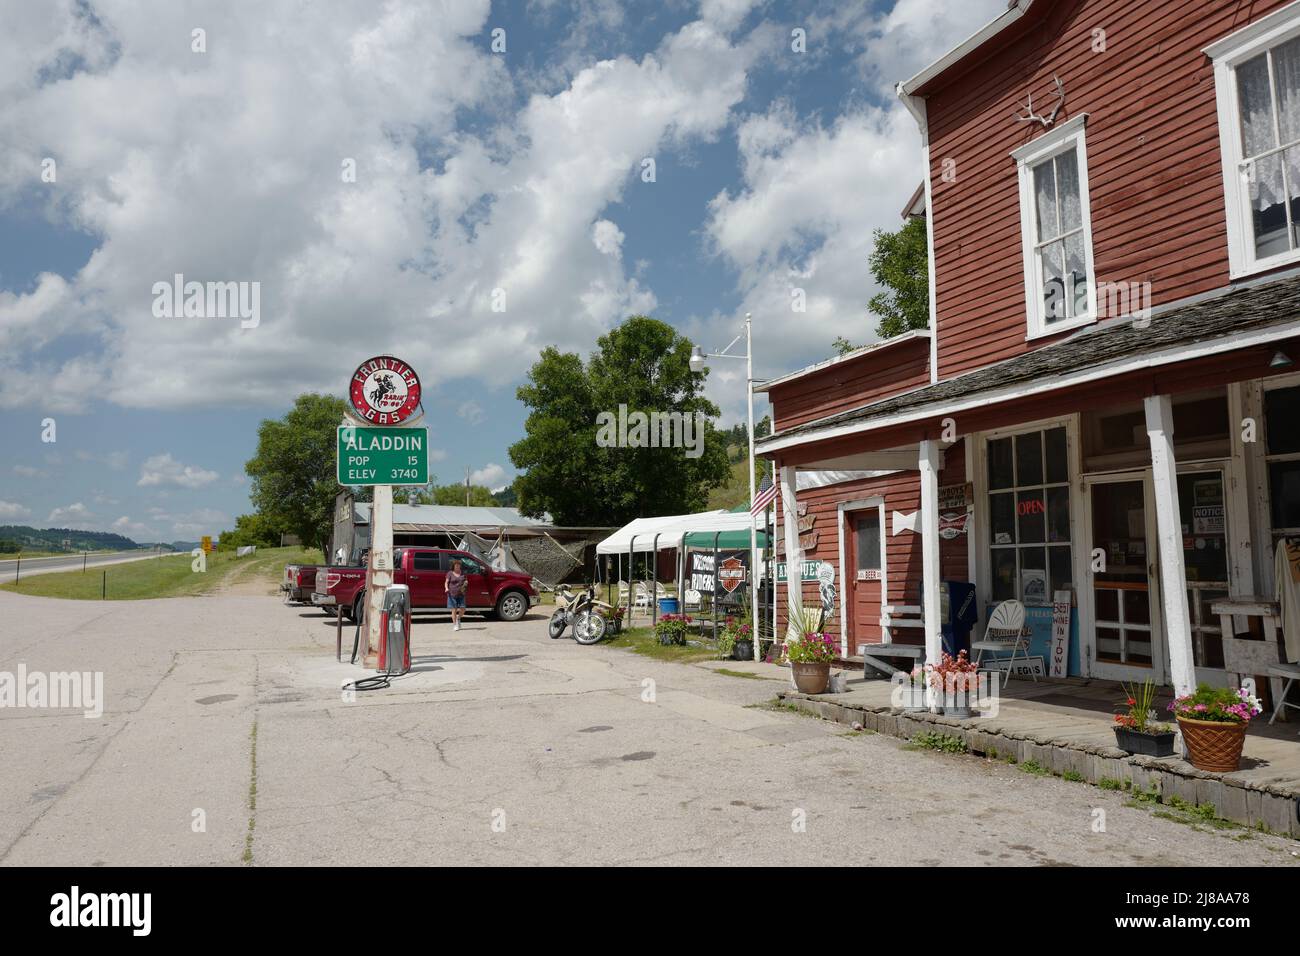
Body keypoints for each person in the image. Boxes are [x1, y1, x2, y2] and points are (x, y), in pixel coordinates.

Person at [446, 558, 468, 631]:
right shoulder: (450, 573)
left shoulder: (463, 573)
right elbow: (446, 582)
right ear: (453, 566)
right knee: (454, 610)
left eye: (458, 565)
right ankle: (455, 625)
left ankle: (458, 619)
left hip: (461, 594)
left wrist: (466, 583)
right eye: (456, 565)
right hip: (452, 594)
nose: (457, 567)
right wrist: (446, 588)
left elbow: (466, 580)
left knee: (463, 609)